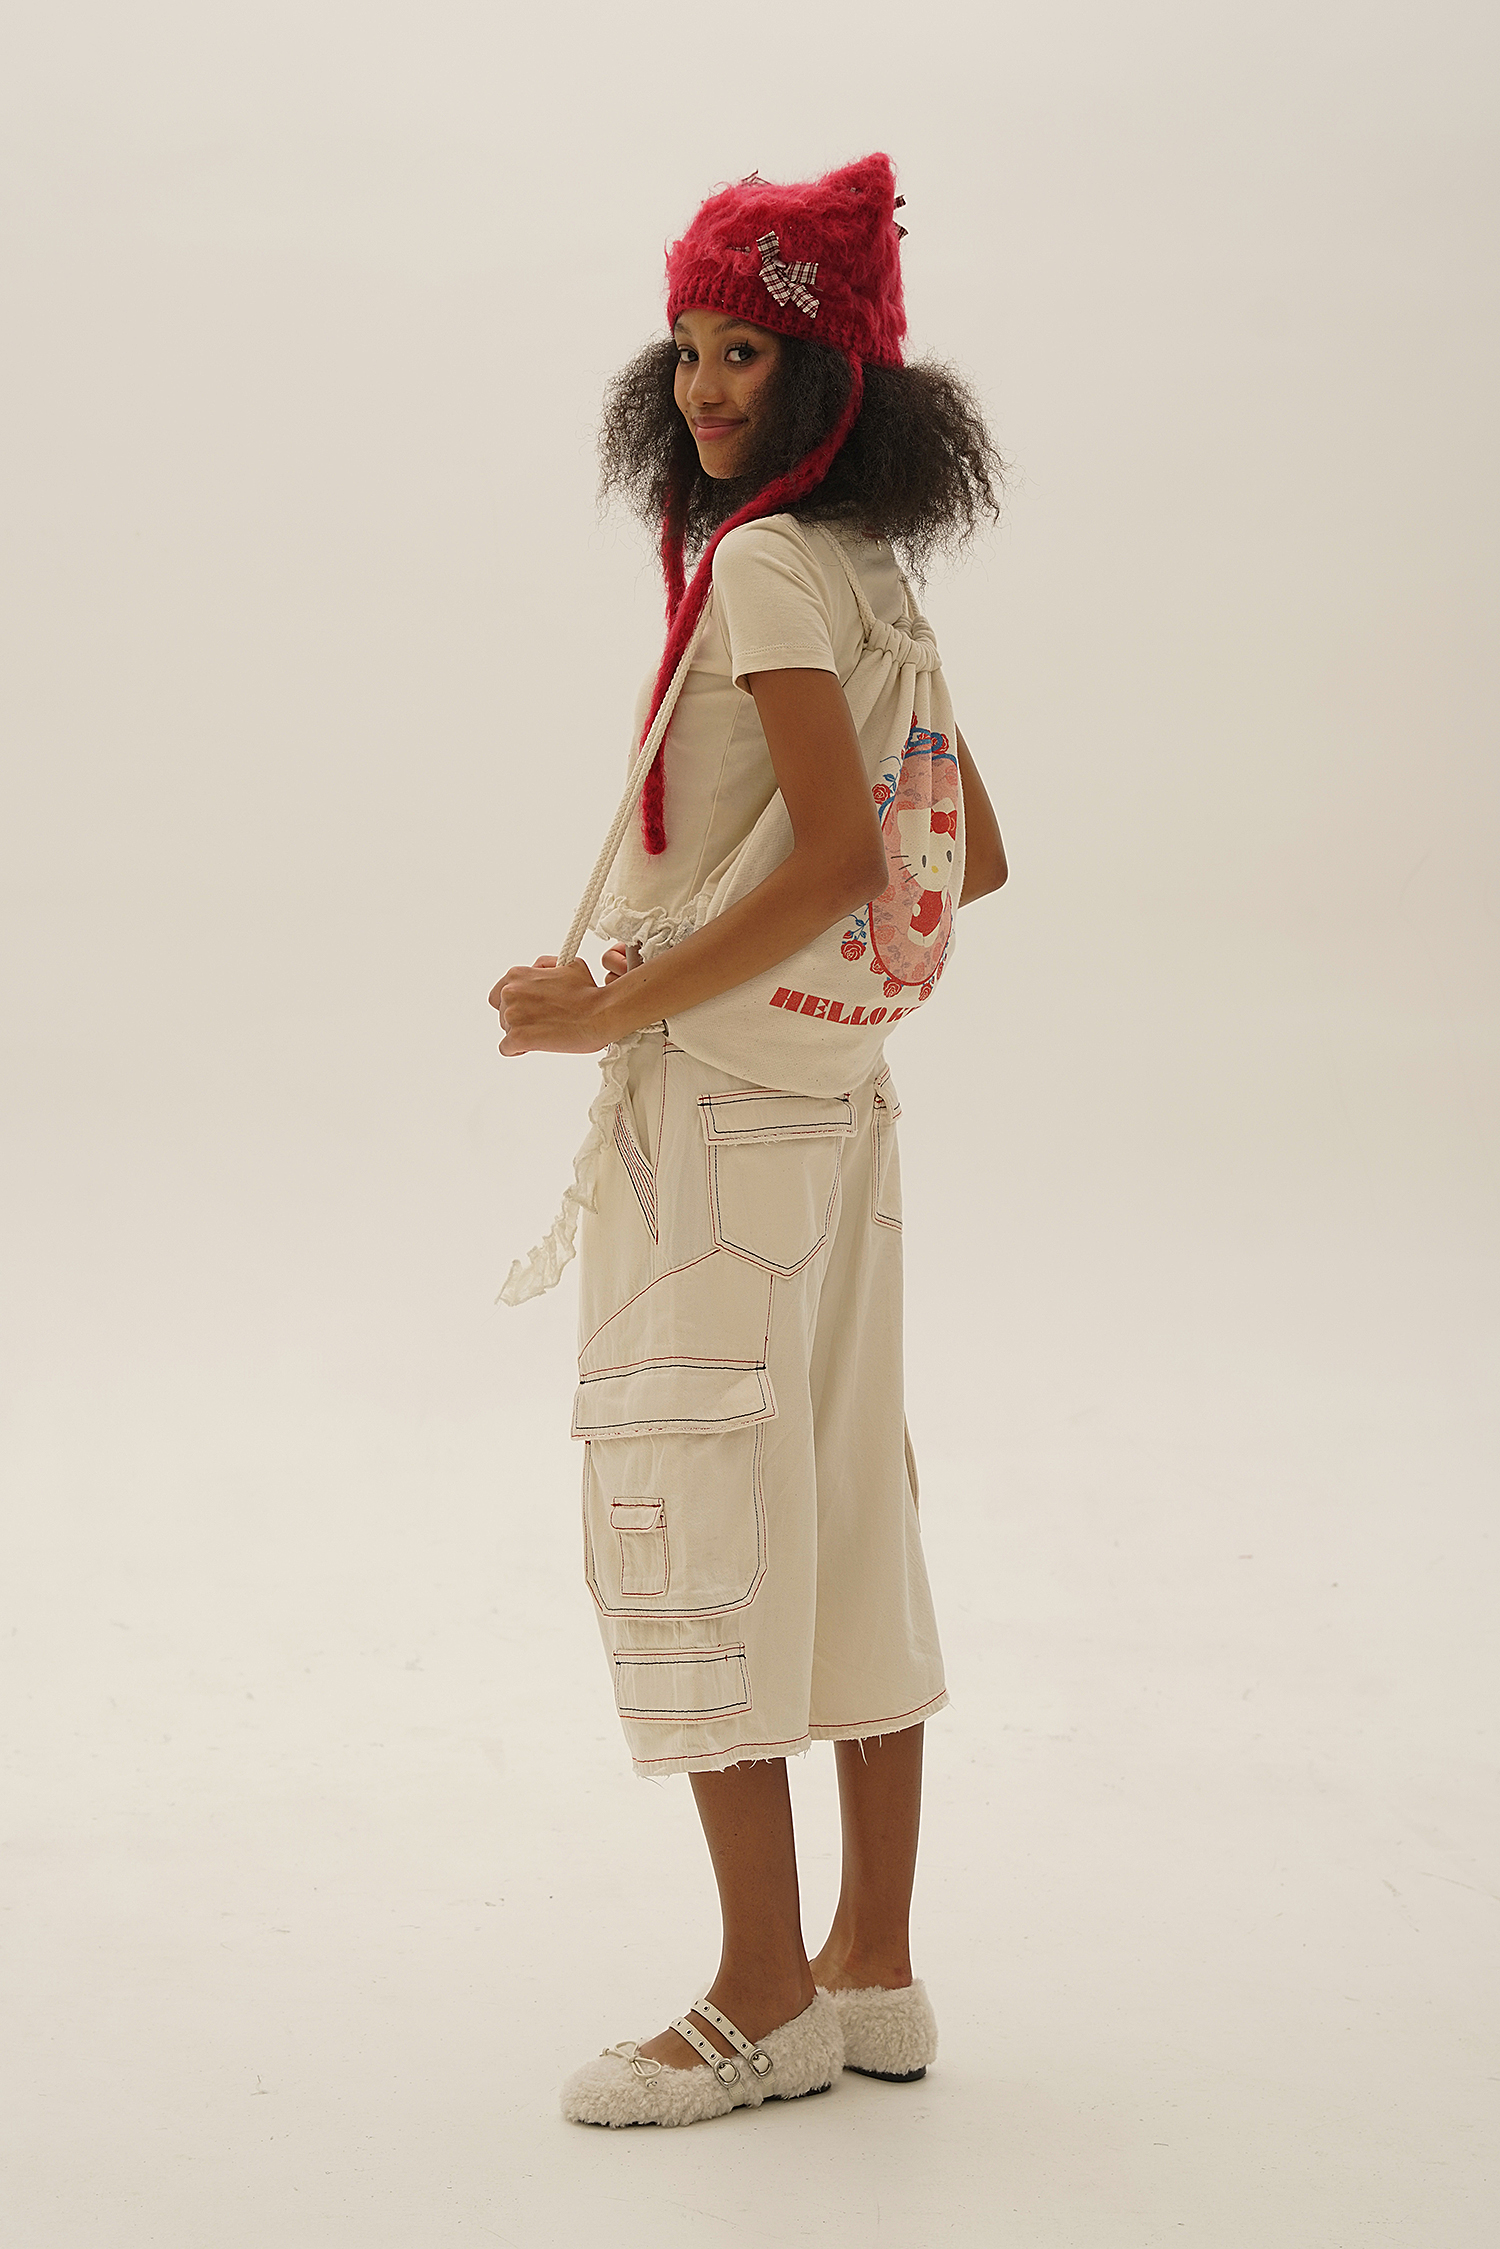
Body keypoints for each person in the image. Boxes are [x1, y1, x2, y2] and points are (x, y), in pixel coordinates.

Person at [490, 154, 1008, 2129]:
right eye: (690, 348)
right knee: (851, 1508)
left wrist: (616, 1001)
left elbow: (840, 861)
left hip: (718, 1114)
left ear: (831, 376)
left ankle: (760, 1994)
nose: (706, 388)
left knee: (697, 1510)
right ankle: (875, 1964)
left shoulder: (772, 565)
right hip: (841, 1109)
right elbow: (967, 854)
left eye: (749, 352)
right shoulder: (874, 573)